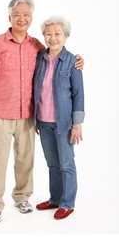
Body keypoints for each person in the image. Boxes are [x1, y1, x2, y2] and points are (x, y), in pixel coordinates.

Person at [0, 0, 84, 223]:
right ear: (9, 17)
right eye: (17, 14)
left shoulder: (36, 46)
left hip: (29, 116)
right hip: (1, 114)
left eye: (26, 15)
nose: (21, 18)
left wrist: (77, 59)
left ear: (31, 18)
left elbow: (59, 59)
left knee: (26, 160)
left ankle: (22, 197)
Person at [34, 15, 85, 219]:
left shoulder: (73, 62)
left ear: (66, 36)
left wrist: (77, 124)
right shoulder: (39, 58)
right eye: (48, 33)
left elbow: (78, 94)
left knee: (66, 163)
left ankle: (68, 202)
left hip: (64, 124)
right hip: (43, 122)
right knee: (52, 163)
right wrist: (36, 119)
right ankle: (55, 198)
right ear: (44, 36)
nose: (53, 38)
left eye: (57, 34)